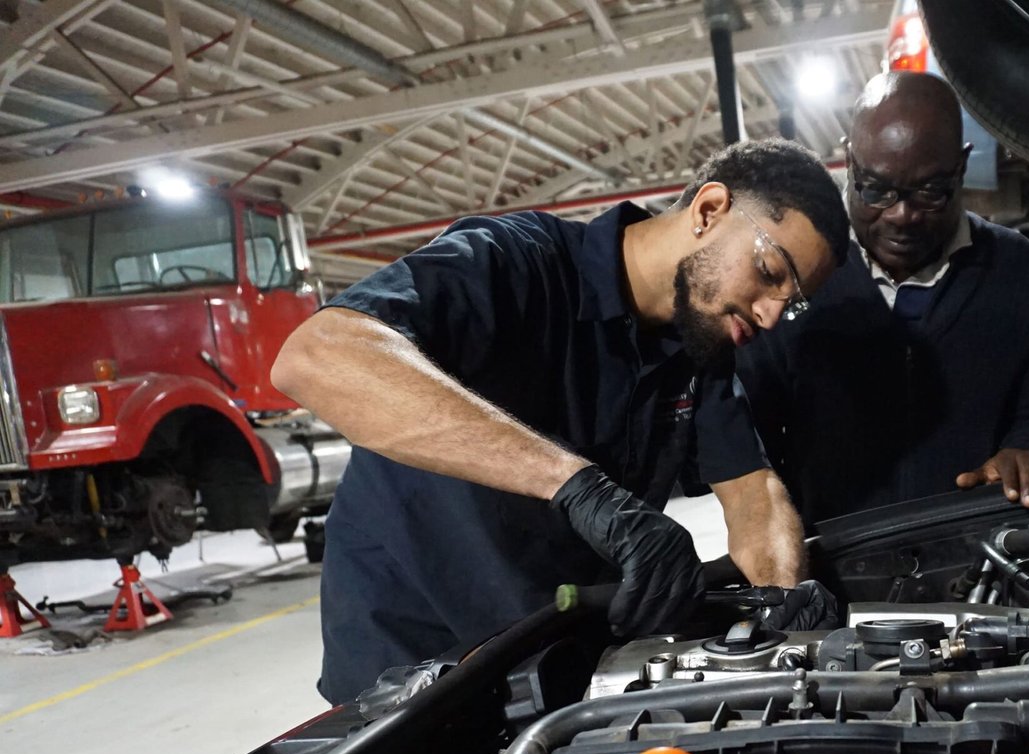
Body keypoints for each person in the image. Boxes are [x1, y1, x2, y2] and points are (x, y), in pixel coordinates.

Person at [272, 140, 850, 705]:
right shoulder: (514, 261)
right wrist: (580, 490)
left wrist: (781, 594)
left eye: (792, 301)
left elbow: (752, 492)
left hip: (547, 662)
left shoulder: (700, 349)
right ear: (709, 210)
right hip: (409, 665)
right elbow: (317, 355)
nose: (772, 314)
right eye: (771, 270)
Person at [736, 72, 1029, 525]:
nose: (901, 214)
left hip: (979, 561)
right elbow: (745, 426)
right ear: (850, 161)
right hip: (835, 562)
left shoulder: (1015, 271)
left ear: (962, 164)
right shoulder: (791, 270)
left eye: (931, 191)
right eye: (876, 189)